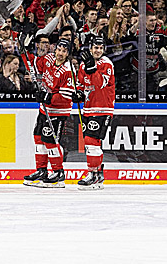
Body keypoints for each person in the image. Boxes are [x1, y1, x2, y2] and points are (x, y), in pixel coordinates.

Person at [23, 38, 77, 188]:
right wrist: (29, 51)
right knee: (38, 137)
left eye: (64, 51)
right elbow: (35, 65)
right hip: (44, 108)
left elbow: (66, 97)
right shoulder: (49, 58)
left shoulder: (68, 70)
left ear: (68, 53)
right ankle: (42, 171)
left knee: (50, 140)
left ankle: (58, 173)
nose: (60, 53)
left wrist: (48, 97)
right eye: (59, 49)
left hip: (58, 111)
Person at [76, 35, 115, 190]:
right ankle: (97, 174)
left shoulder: (107, 64)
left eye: (100, 48)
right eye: (95, 47)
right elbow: (81, 83)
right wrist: (78, 93)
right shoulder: (82, 65)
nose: (98, 50)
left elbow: (100, 84)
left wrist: (92, 69)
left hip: (102, 108)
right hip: (88, 108)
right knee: (92, 143)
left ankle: (93, 174)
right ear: (90, 48)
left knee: (91, 142)